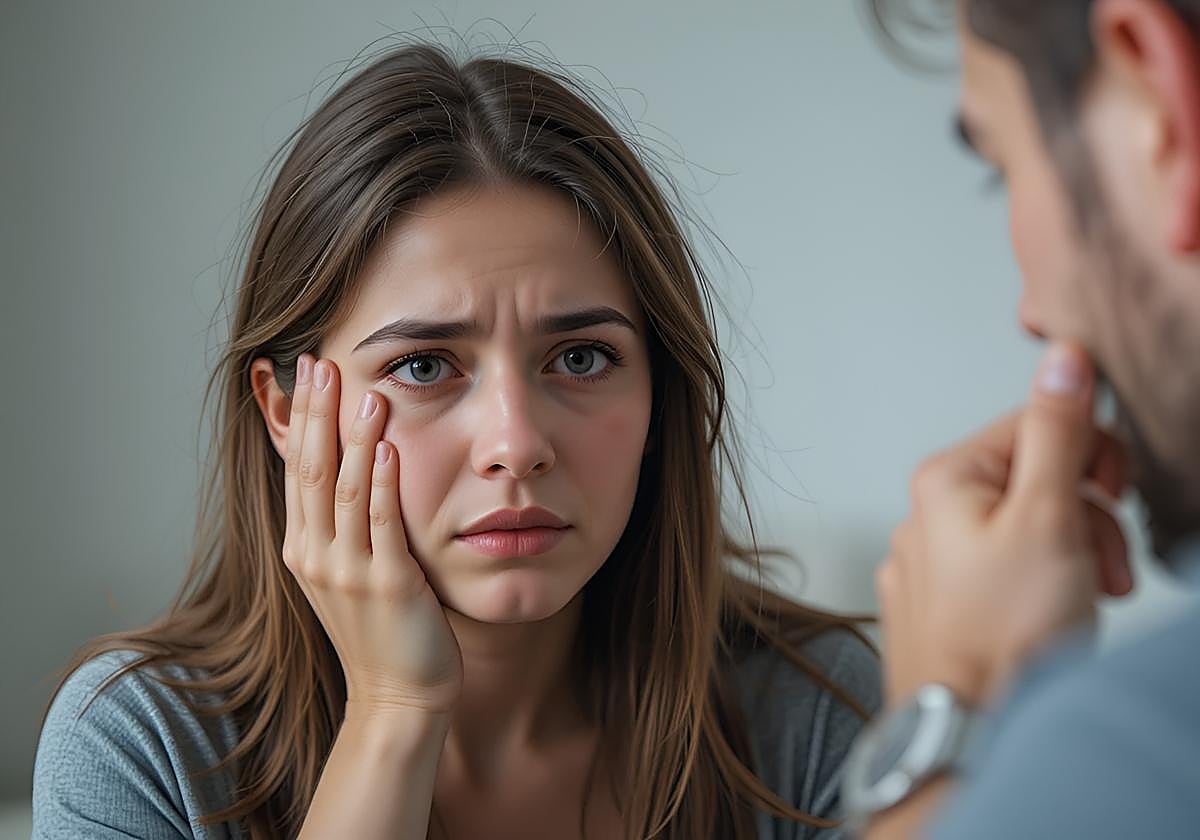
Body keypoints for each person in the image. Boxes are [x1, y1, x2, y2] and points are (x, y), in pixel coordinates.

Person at [31, 43, 879, 840]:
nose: (515, 444)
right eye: (426, 365)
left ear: (659, 393)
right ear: (287, 412)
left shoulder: (807, 714)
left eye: (581, 357)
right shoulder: (137, 749)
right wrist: (395, 712)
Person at [840, 1, 1200, 837]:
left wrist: (947, 710)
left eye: (1005, 166)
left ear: (1163, 110)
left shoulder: (1125, 757)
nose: (1033, 316)